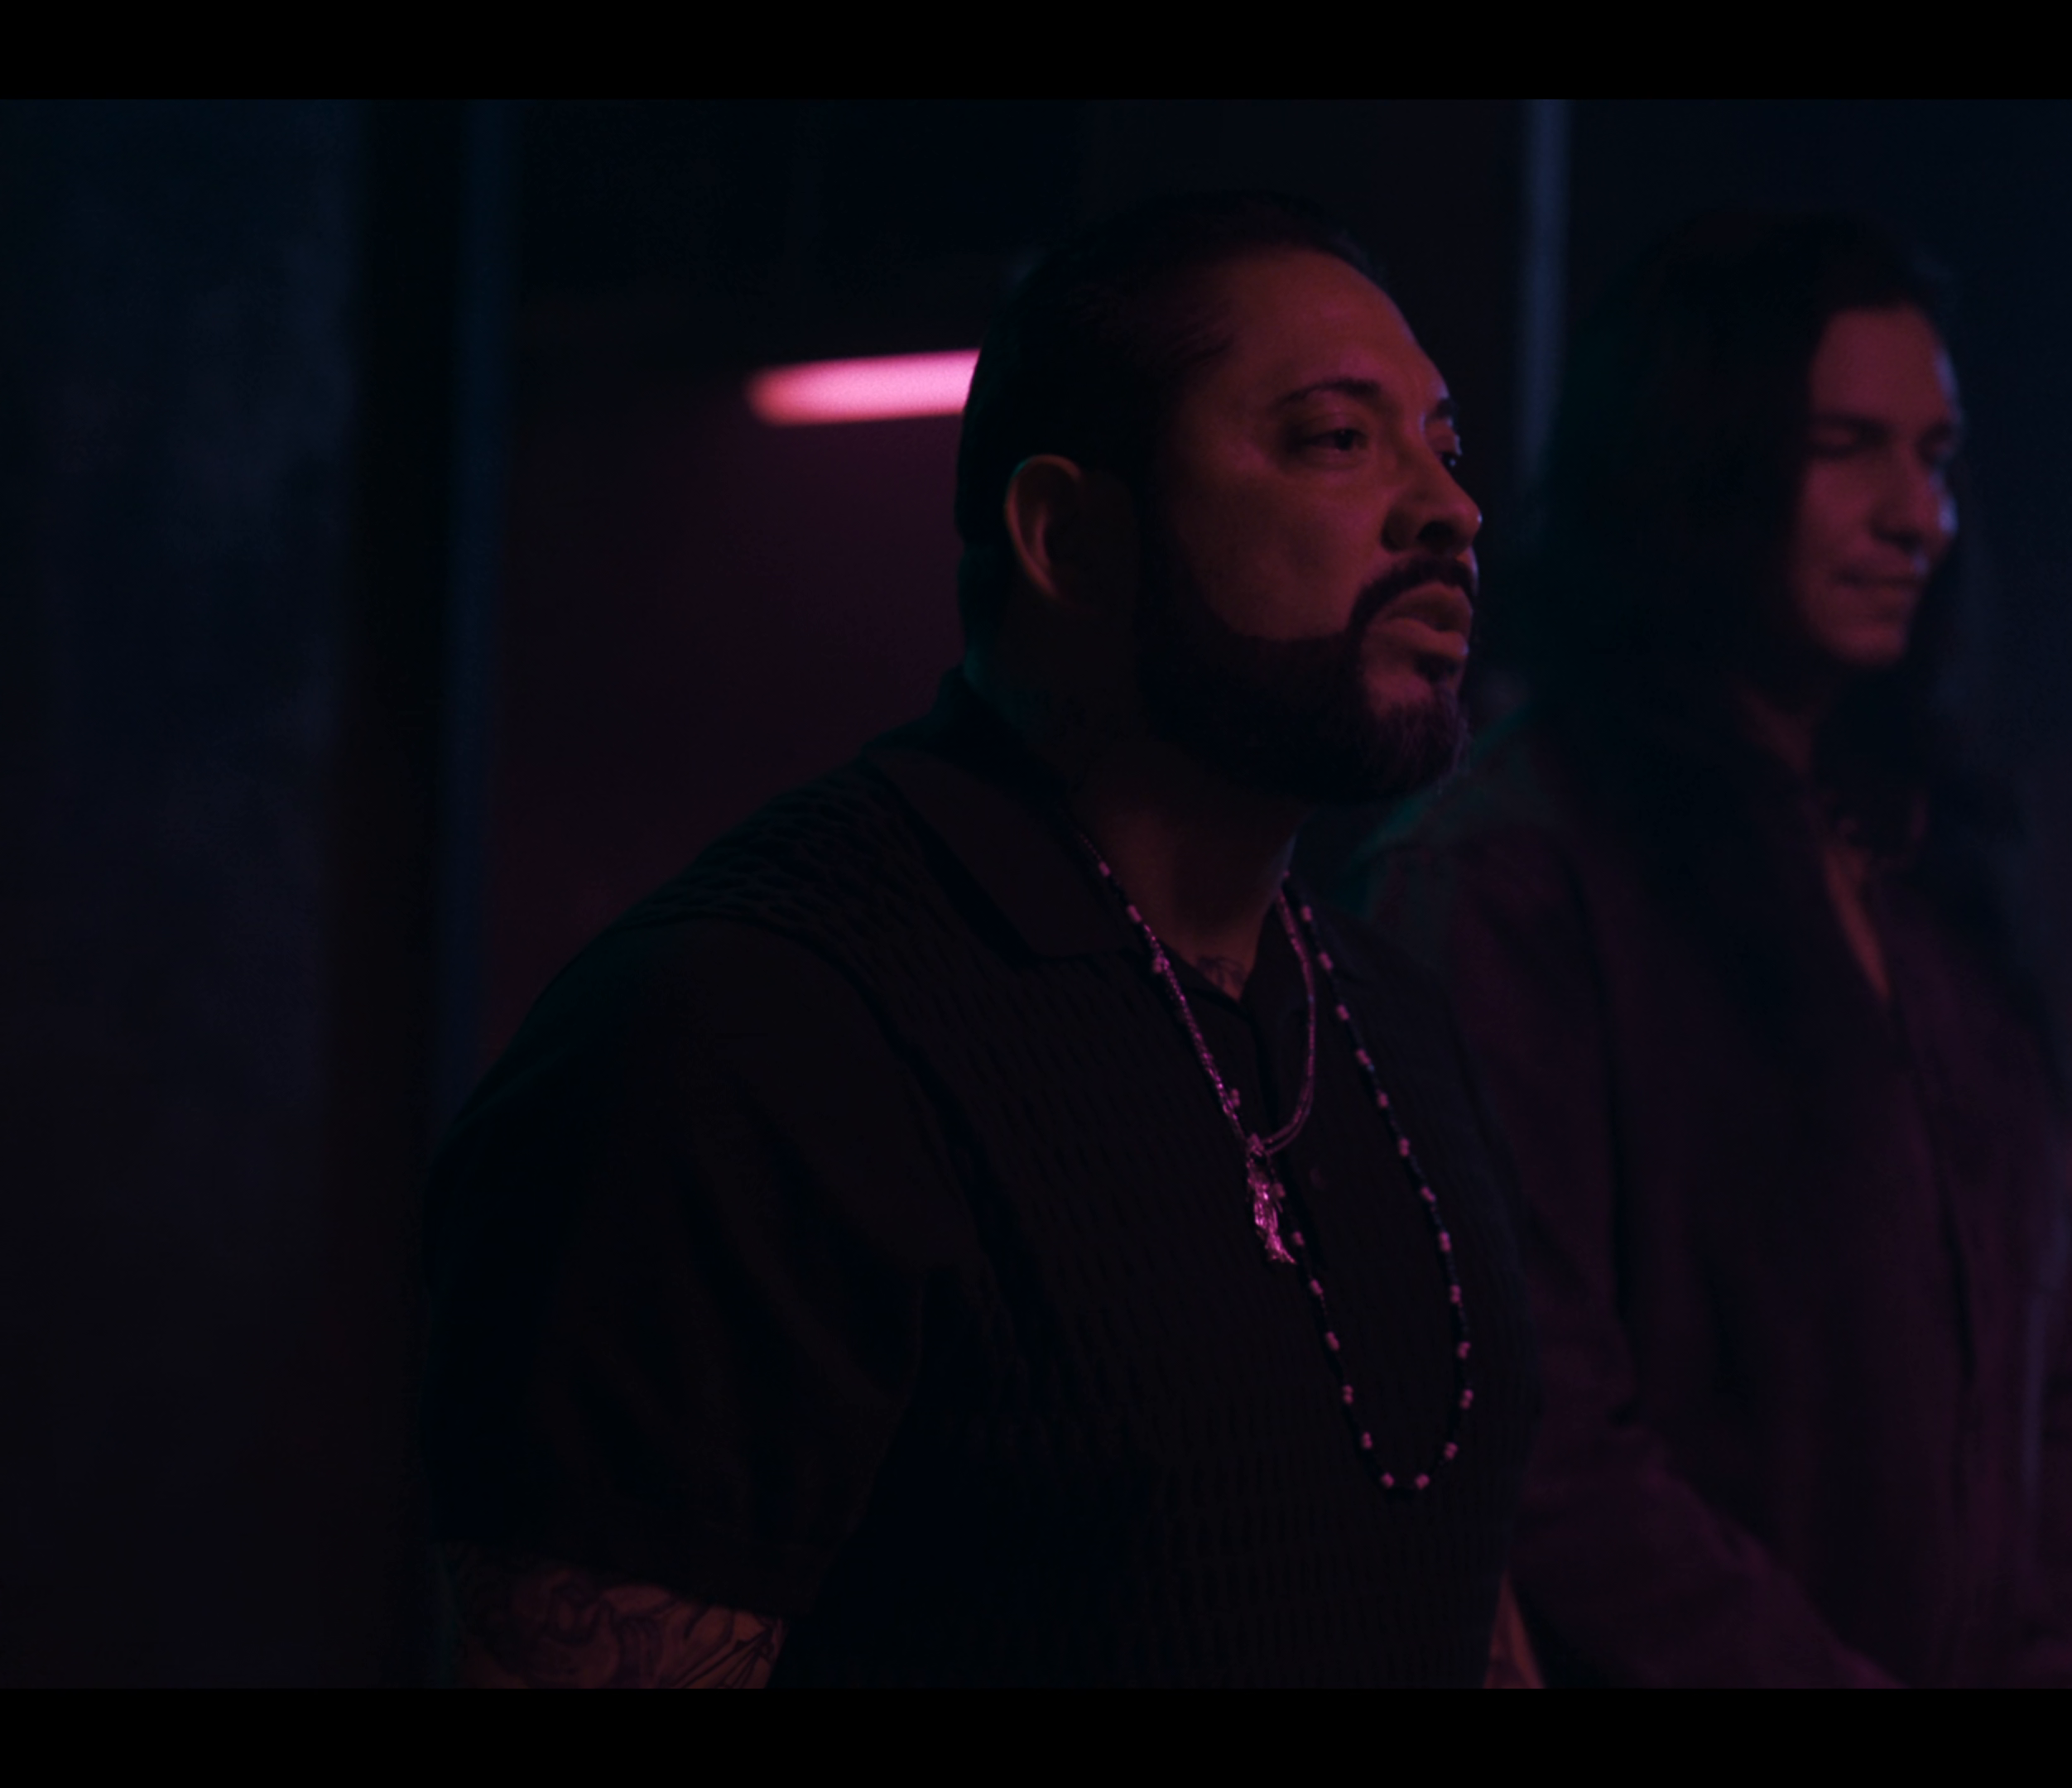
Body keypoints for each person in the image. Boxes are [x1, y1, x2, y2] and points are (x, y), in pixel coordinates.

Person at [423, 194, 1541, 1687]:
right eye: (1337, 439)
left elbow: (1452, 1592)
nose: (1449, 509)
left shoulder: (1384, 1017)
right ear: (1069, 539)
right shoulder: (755, 1029)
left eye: (1444, 444)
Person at [1345, 213, 2072, 1687]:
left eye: (1938, 457)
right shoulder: (1517, 877)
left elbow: (2065, 1362)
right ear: (1696, 462)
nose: (1919, 517)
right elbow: (1536, 1428)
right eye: (1847, 448)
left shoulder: (1928, 863)